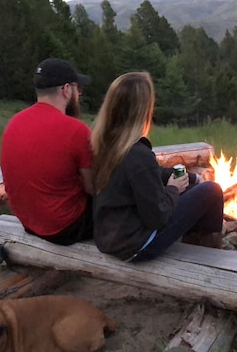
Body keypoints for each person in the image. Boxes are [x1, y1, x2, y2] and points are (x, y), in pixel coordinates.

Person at [90, 71, 225, 262]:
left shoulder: (105, 142)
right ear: (143, 111)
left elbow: (144, 174)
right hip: (136, 246)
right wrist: (173, 189)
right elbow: (157, 217)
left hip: (109, 237)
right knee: (212, 191)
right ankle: (209, 257)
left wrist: (191, 178)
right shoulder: (138, 154)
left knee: (197, 187)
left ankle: (195, 241)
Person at [0, 58, 94, 245]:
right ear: (66, 90)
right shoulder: (76, 130)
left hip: (28, 222)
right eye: (78, 89)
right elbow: (94, 188)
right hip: (65, 228)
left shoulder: (14, 123)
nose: (78, 95)